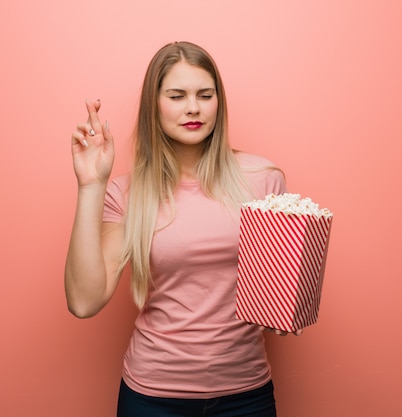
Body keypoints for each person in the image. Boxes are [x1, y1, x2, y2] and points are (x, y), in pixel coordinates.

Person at [65, 41, 298, 417]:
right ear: (153, 106)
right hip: (152, 398)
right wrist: (91, 185)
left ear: (218, 103)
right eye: (177, 96)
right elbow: (83, 301)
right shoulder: (126, 194)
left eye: (205, 95)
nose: (193, 107)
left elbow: (279, 294)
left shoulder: (263, 180)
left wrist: (287, 313)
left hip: (247, 395)